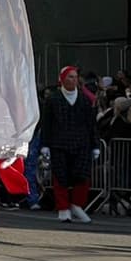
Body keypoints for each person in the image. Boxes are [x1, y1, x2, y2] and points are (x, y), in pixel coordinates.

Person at [41, 65, 100, 223]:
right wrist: (45, 144)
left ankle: (77, 204)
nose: (73, 80)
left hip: (81, 143)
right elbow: (47, 123)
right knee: (60, 176)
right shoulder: (53, 99)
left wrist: (95, 145)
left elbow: (91, 124)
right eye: (70, 77)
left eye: (75, 77)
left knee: (82, 175)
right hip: (59, 143)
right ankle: (63, 207)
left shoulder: (84, 99)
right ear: (62, 79)